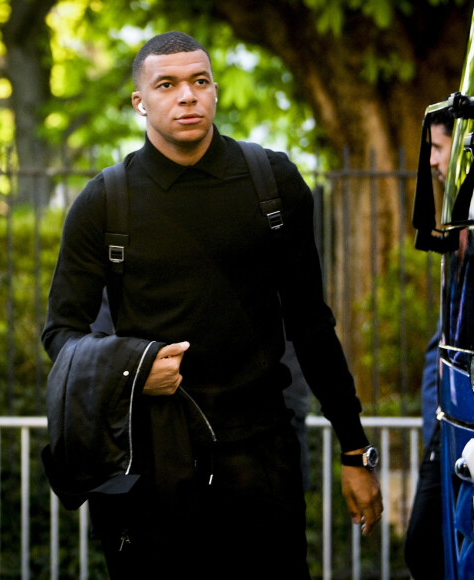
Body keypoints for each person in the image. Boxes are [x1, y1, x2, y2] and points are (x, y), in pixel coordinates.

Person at [42, 31, 382, 579]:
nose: (187, 96)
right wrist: (133, 371)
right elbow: (61, 332)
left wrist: (354, 450)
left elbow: (312, 325)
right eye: (168, 84)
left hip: (262, 452)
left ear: (215, 91)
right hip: (149, 461)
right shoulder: (104, 202)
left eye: (199, 81)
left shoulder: (273, 183)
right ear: (140, 102)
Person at [404, 107, 454, 579]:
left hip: (456, 431)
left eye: (438, 148)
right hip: (444, 428)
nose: (433, 162)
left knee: (425, 548)